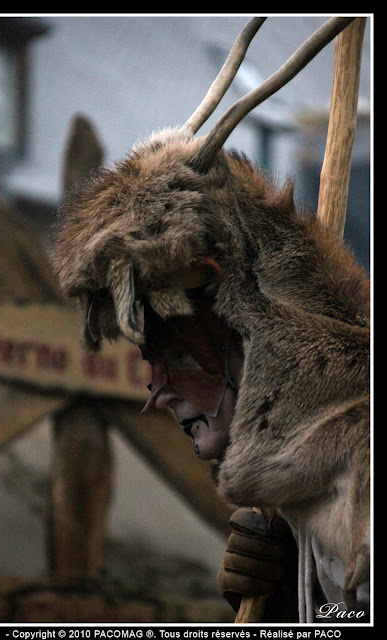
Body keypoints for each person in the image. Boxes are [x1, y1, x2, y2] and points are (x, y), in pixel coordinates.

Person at [52, 127, 370, 623]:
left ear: (252, 334)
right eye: (153, 367)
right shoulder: (306, 493)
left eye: (178, 360)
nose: (156, 397)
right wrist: (283, 603)